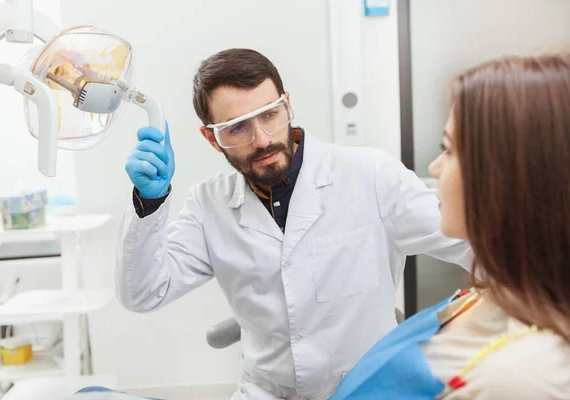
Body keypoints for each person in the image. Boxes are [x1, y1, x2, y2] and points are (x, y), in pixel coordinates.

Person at [116, 48, 471, 399]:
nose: (262, 139)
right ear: (212, 138)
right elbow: (144, 293)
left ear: (287, 105)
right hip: (265, 392)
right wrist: (150, 202)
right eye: (237, 127)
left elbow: (477, 248)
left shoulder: (372, 176)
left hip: (369, 388)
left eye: (269, 115)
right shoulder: (208, 205)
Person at [330, 52, 570, 400]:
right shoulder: (499, 291)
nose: (435, 166)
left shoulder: (518, 379)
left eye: (448, 150)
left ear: (508, 176)